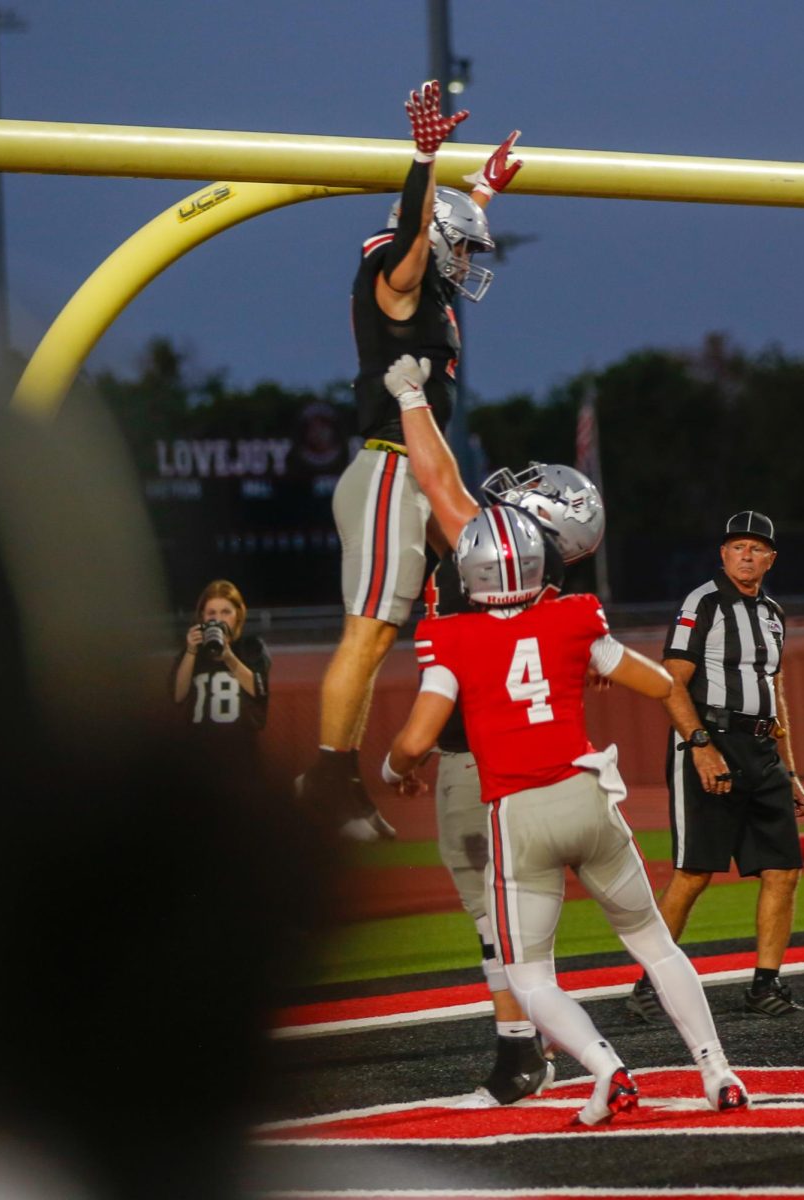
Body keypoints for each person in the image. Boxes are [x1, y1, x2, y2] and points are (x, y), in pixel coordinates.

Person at [384, 505, 749, 1124]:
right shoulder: (574, 619)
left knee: (528, 977)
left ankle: (606, 1068)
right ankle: (718, 1070)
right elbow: (661, 683)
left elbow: (415, 742)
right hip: (587, 798)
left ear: (469, 574)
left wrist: (394, 771)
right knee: (655, 945)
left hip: (518, 815)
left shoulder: (450, 636)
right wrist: (585, 667)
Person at [297, 80, 523, 842]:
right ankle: (326, 778)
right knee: (365, 633)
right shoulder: (396, 283)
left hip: (421, 474)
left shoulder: (425, 293)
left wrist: (482, 191)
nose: (465, 258)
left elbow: (444, 229)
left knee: (485, 588)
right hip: (391, 467)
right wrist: (425, 157)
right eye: (458, 244)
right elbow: (422, 236)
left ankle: (454, 742)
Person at [385, 353, 609, 1105]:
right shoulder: (553, 589)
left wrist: (411, 397)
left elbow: (438, 481)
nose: (517, 493)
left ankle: (523, 1052)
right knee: (519, 912)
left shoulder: (499, 555)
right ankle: (534, 1041)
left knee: (492, 911)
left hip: (481, 756)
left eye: (535, 495)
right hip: (530, 756)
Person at [626, 511, 804, 1025]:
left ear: (771, 559)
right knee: (694, 872)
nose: (746, 556)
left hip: (761, 749)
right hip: (712, 738)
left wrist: (789, 768)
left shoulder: (773, 612)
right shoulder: (703, 602)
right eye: (737, 547)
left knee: (783, 870)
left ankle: (765, 984)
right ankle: (650, 984)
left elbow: (774, 690)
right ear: (722, 555)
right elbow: (672, 679)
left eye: (756, 549)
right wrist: (702, 745)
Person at [171, 579, 270, 756]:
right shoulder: (192, 652)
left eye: (226, 612)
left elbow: (260, 690)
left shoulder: (251, 647)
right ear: (202, 617)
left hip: (241, 749)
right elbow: (178, 696)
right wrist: (191, 652)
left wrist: (229, 658)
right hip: (199, 749)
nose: (218, 619)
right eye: (211, 613)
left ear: (238, 614)